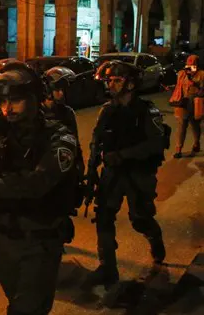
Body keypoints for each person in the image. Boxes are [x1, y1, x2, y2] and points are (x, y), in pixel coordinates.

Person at [0, 62, 79, 315]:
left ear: (34, 99)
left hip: (39, 237)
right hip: (4, 236)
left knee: (25, 309)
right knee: (14, 296)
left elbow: (38, 183)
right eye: (2, 102)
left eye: (15, 101)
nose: (7, 108)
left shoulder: (59, 138)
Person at [85, 60, 167, 289]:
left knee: (140, 218)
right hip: (112, 174)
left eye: (116, 80)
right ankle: (107, 268)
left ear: (130, 84)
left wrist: (124, 155)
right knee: (103, 218)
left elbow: (156, 143)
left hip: (138, 174)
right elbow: (96, 141)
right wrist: (91, 171)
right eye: (109, 80)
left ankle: (155, 241)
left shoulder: (147, 111)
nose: (110, 85)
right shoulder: (107, 110)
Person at [172, 55, 204, 158]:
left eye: (193, 64)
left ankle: (196, 143)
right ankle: (178, 149)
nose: (190, 67)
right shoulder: (181, 73)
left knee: (195, 125)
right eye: (189, 64)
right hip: (182, 103)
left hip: (195, 103)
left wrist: (195, 84)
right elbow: (178, 86)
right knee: (181, 126)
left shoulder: (201, 74)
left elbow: (202, 90)